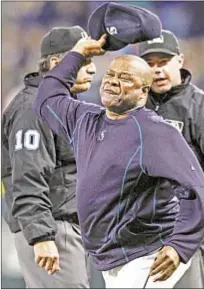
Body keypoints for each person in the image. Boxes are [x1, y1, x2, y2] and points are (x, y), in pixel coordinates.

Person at [33, 34, 204, 288]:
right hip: (110, 256)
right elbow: (46, 99)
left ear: (143, 91)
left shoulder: (154, 131)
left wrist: (180, 244)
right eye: (111, 75)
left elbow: (195, 188)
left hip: (147, 254)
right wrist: (77, 53)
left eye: (125, 78)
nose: (113, 81)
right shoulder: (85, 118)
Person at [2, 26, 96, 288]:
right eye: (85, 61)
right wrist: (41, 235)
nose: (92, 69)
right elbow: (27, 176)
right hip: (52, 226)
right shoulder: (33, 107)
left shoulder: (61, 105)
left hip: (66, 226)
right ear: (57, 63)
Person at [138, 29, 204, 288]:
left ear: (180, 60)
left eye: (163, 62)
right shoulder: (134, 106)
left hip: (189, 230)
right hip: (143, 230)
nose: (157, 70)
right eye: (149, 64)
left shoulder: (198, 107)